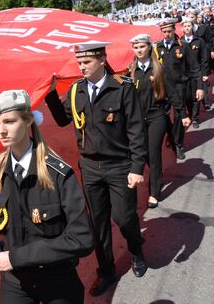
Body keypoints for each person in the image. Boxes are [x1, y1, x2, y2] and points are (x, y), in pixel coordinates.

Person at [0, 89, 94, 304]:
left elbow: (81, 238)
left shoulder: (58, 174)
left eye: (9, 121)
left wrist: (16, 257)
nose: (2, 130)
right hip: (16, 282)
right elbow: (1, 224)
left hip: (57, 279)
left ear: (28, 121)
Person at [44, 42, 148, 297]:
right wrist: (49, 93)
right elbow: (62, 120)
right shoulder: (76, 90)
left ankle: (136, 250)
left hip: (120, 165)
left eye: (86, 62)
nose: (82, 67)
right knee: (97, 224)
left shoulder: (122, 88)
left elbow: (136, 129)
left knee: (124, 218)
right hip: (90, 167)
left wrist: (136, 167)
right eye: (79, 63)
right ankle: (107, 271)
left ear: (102, 59)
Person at [128, 34, 189, 209]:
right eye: (136, 47)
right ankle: (158, 176)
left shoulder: (160, 69)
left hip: (157, 117)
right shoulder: (131, 71)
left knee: (153, 154)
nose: (139, 50)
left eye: (142, 47)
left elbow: (172, 92)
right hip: (139, 119)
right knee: (143, 153)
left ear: (149, 47)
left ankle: (154, 192)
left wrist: (182, 114)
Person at [154, 19, 203, 160]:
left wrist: (199, 87)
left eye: (169, 31)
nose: (167, 34)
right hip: (163, 88)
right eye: (164, 32)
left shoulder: (183, 47)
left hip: (180, 87)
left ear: (174, 30)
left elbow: (194, 68)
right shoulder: (157, 48)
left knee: (178, 118)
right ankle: (172, 136)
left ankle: (178, 144)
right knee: (162, 116)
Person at [181, 17, 208, 128]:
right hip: (184, 75)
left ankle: (195, 118)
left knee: (196, 97)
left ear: (193, 27)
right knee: (187, 97)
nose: (187, 28)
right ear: (182, 28)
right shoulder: (180, 42)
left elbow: (204, 58)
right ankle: (190, 114)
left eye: (189, 26)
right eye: (185, 26)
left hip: (196, 73)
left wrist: (205, 73)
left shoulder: (199, 41)